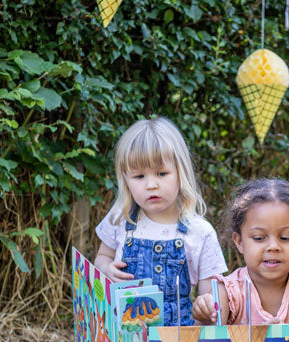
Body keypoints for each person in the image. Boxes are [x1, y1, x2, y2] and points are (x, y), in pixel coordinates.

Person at [94, 117, 227, 326]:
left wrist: (207, 306)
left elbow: (210, 293)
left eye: (162, 173)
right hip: (126, 338)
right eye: (139, 177)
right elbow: (102, 257)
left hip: (179, 340)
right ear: (126, 181)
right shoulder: (121, 218)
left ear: (180, 173)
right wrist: (106, 269)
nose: (151, 185)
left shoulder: (200, 232)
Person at [192, 178, 289, 325]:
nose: (273, 246)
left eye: (285, 238)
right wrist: (206, 315)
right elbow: (209, 341)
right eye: (259, 238)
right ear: (239, 242)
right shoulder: (227, 293)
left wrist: (282, 337)